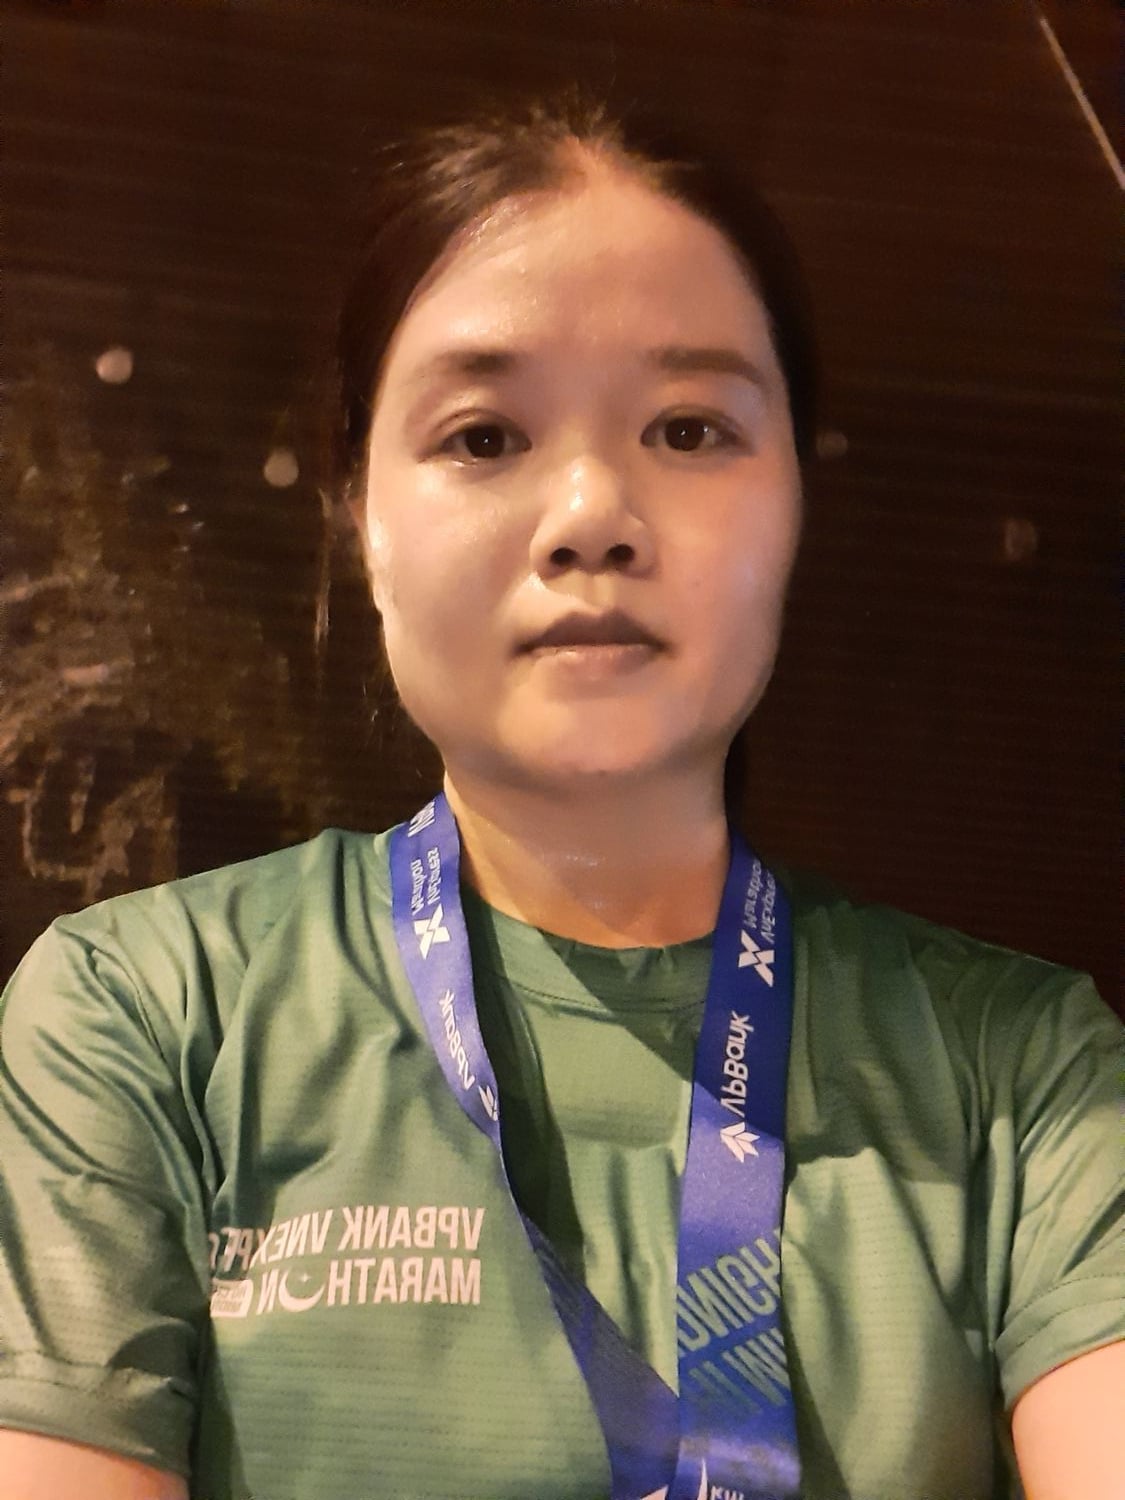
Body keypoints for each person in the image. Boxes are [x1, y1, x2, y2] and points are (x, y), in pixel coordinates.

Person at [0, 84, 1120, 1500]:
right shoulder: (145, 1017)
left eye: (690, 430)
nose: (592, 515)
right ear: (359, 517)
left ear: (795, 502)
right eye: (482, 436)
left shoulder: (1024, 1075)